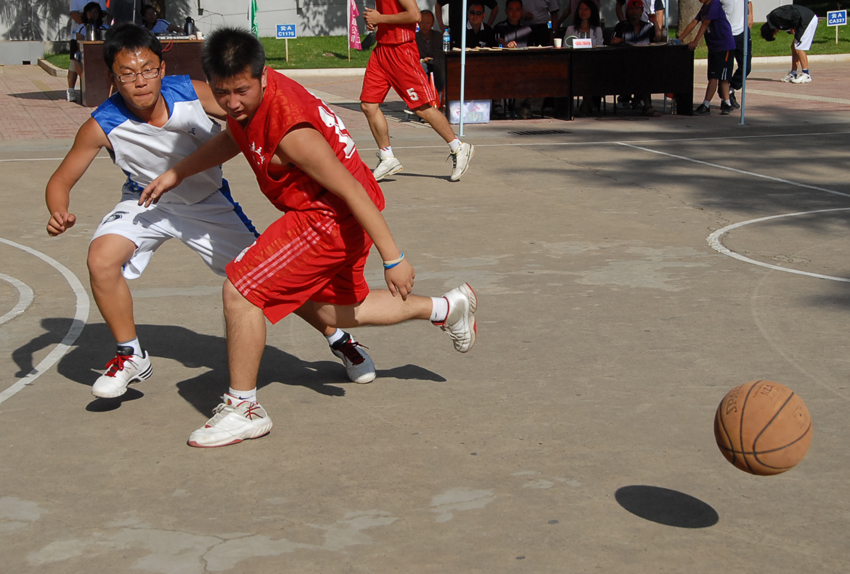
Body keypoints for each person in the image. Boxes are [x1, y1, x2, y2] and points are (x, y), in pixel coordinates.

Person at [140, 28, 479, 448]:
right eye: (222, 92)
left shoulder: (291, 131)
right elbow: (233, 137)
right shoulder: (249, 102)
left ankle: (244, 409)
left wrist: (393, 257)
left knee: (241, 291)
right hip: (333, 214)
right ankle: (446, 308)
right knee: (335, 311)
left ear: (263, 76)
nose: (232, 102)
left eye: (241, 91)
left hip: (330, 217)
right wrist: (178, 172)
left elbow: (352, 191)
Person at [46, 23, 376, 402]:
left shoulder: (192, 92)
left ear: (162, 69)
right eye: (127, 74)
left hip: (208, 202)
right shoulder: (101, 124)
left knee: (267, 280)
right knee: (100, 258)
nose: (140, 81)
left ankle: (338, 337)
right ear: (112, 77)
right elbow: (60, 180)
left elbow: (248, 113)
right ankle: (130, 354)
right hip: (147, 202)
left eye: (148, 70)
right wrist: (58, 210)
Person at [360, 0, 474, 182]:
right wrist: (376, 21)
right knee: (368, 105)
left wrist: (380, 18)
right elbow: (391, 15)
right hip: (382, 49)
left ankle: (459, 147)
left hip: (401, 50)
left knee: (421, 107)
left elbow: (415, 15)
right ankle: (387, 157)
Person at [678, 0, 736, 115]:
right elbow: (694, 22)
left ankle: (708, 104)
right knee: (714, 75)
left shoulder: (714, 4)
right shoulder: (704, 7)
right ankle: (726, 103)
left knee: (720, 77)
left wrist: (695, 41)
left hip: (724, 46)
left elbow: (706, 23)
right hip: (713, 47)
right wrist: (679, 39)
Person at [612, 0, 662, 116]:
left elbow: (658, 38)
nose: (633, 12)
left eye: (637, 9)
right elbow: (612, 41)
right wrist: (617, 41)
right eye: (631, 9)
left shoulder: (648, 27)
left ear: (642, 11)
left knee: (644, 70)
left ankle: (645, 104)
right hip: (624, 63)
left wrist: (655, 22)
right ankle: (643, 103)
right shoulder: (622, 26)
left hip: (643, 62)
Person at [761, 4, 819, 84]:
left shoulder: (775, 17)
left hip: (807, 19)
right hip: (803, 21)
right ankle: (793, 73)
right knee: (794, 47)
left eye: (774, 34)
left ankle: (806, 74)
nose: (776, 33)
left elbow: (795, 13)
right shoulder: (775, 21)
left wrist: (793, 26)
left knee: (799, 47)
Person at [67, 2, 109, 102]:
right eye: (90, 12)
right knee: (75, 63)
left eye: (95, 12)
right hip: (85, 54)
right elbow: (80, 44)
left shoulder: (105, 28)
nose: (93, 14)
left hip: (100, 54)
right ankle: (71, 89)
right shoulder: (81, 27)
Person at [719, 0, 752, 108]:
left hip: (742, 32)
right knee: (726, 68)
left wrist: (750, 17)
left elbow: (749, 3)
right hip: (727, 33)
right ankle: (725, 97)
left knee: (746, 67)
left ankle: (731, 89)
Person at [415, 9, 444, 92]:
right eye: (422, 22)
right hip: (421, 63)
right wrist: (422, 60)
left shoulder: (439, 36)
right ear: (418, 23)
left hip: (437, 64)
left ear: (433, 23)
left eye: (428, 23)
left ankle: (439, 94)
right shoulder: (414, 38)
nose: (425, 25)